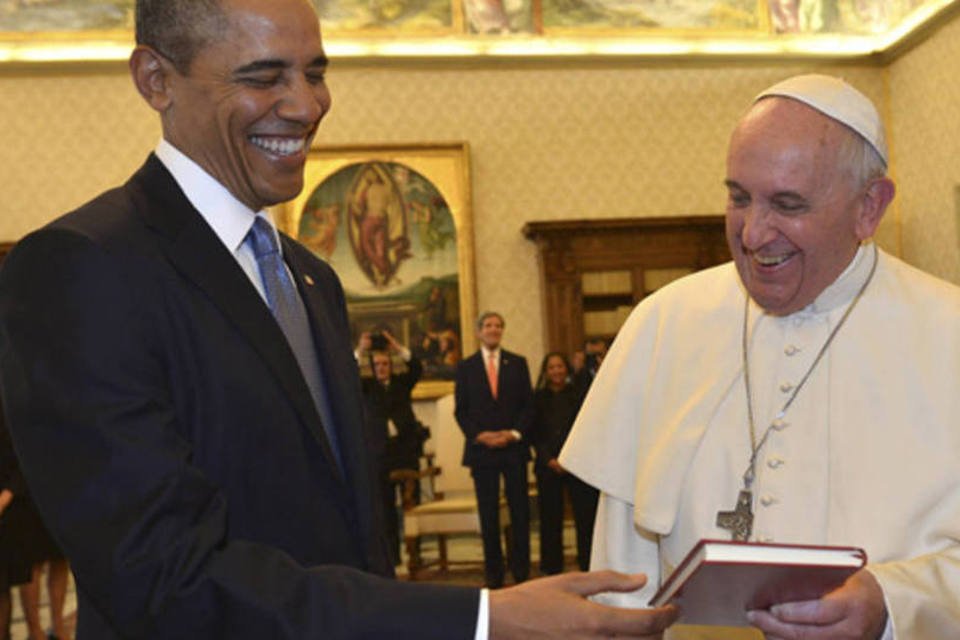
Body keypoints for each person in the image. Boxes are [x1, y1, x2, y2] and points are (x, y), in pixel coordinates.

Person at [0, 0, 679, 638]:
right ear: (155, 79)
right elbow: (164, 577)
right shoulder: (82, 267)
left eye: (316, 72)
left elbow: (347, 535)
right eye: (265, 77)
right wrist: (478, 620)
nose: (306, 104)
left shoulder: (310, 277)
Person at [560, 73, 960, 639]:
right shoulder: (665, 322)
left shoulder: (950, 335)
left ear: (869, 207)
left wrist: (892, 601)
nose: (751, 234)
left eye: (787, 204)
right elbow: (622, 562)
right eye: (738, 197)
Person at [454, 312, 532, 589]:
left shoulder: (518, 363)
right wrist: (480, 436)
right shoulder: (465, 368)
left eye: (498, 325)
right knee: (488, 516)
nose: (494, 329)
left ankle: (522, 571)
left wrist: (512, 434)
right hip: (482, 451)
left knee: (520, 512)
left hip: (513, 450)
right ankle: (494, 574)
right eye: (488, 325)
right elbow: (461, 411)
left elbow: (527, 406)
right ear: (479, 332)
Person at [356, 329, 428, 565]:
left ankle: (416, 555)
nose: (382, 368)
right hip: (380, 454)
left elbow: (416, 368)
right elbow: (345, 373)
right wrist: (361, 349)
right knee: (385, 507)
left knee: (411, 504)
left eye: (386, 364)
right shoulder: (365, 387)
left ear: (391, 364)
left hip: (405, 451)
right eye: (377, 365)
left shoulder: (401, 384)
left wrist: (398, 348)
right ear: (373, 367)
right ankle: (393, 557)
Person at [530, 352, 598, 575]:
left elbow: (584, 429)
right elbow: (534, 433)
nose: (556, 371)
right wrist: (549, 458)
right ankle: (551, 567)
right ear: (545, 372)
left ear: (566, 370)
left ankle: (587, 563)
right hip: (547, 464)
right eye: (551, 368)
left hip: (576, 464)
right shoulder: (537, 398)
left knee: (585, 518)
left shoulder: (578, 395)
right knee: (550, 519)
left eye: (560, 367)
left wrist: (568, 458)